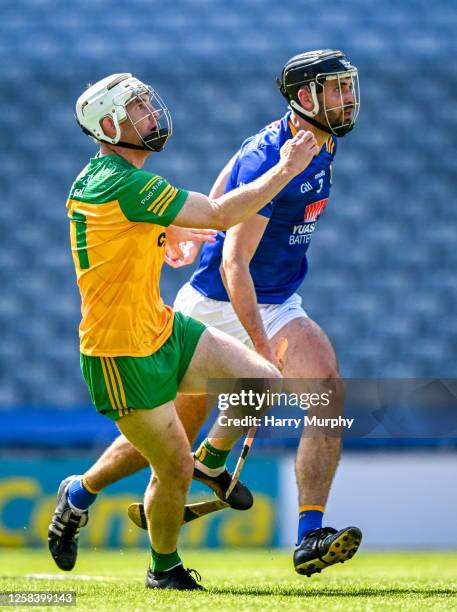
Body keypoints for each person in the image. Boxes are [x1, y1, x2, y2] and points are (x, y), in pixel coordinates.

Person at [48, 72, 321, 591]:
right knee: (171, 464)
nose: (152, 116)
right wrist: (287, 168)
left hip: (162, 327)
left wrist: (167, 230)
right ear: (109, 126)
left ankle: (211, 463)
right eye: (138, 111)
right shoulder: (124, 182)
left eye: (148, 105)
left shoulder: (110, 179)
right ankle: (163, 567)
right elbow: (220, 215)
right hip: (118, 354)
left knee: (261, 380)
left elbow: (111, 224)